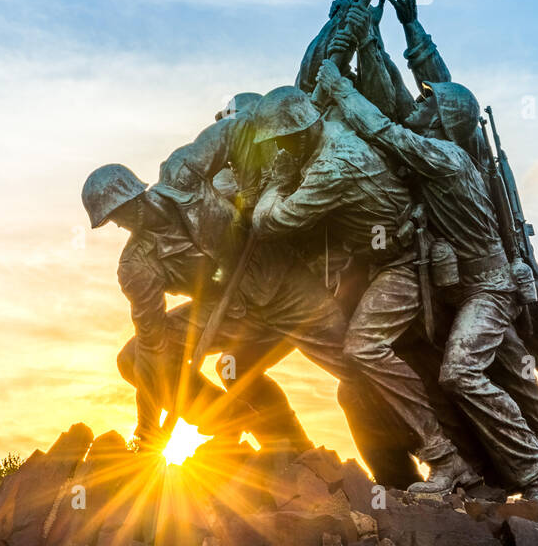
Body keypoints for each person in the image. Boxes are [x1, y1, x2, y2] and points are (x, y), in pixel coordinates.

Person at [313, 58, 538, 508]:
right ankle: (483, 468)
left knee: (462, 372)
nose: (416, 102)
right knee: (467, 378)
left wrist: (340, 88)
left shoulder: (444, 157)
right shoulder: (434, 153)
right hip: (462, 287)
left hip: (490, 289)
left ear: (441, 119)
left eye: (426, 100)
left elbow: (383, 130)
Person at [80, 112, 371, 461]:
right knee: (132, 359)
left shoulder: (182, 173)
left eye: (124, 207)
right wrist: (147, 430)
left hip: (282, 285)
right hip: (227, 311)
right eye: (114, 216)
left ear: (136, 193)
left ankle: (441, 452)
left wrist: (252, 184)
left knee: (360, 364)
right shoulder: (136, 265)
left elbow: (240, 127)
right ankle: (228, 420)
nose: (122, 220)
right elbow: (151, 346)